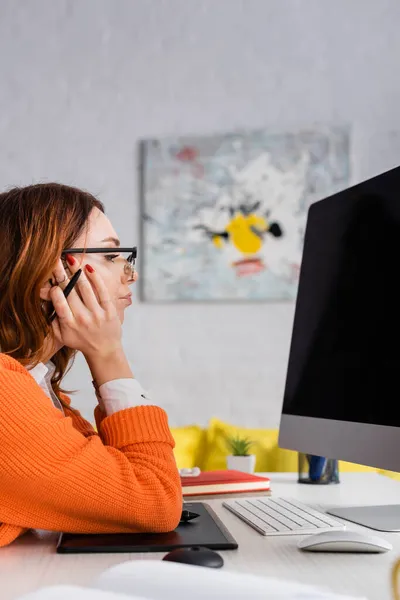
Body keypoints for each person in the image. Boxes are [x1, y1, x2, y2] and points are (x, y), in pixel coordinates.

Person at [0, 182, 182, 548]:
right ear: (48, 273)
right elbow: (155, 501)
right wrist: (108, 354)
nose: (130, 275)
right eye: (112, 256)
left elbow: (105, 479)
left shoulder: (32, 382)